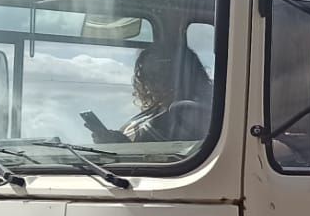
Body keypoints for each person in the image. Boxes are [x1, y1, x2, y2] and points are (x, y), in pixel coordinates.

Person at [82, 41, 213, 145]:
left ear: (181, 75)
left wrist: (122, 146)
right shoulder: (156, 110)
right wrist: (112, 140)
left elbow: (174, 159)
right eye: (146, 75)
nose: (149, 82)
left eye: (159, 74)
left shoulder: (190, 111)